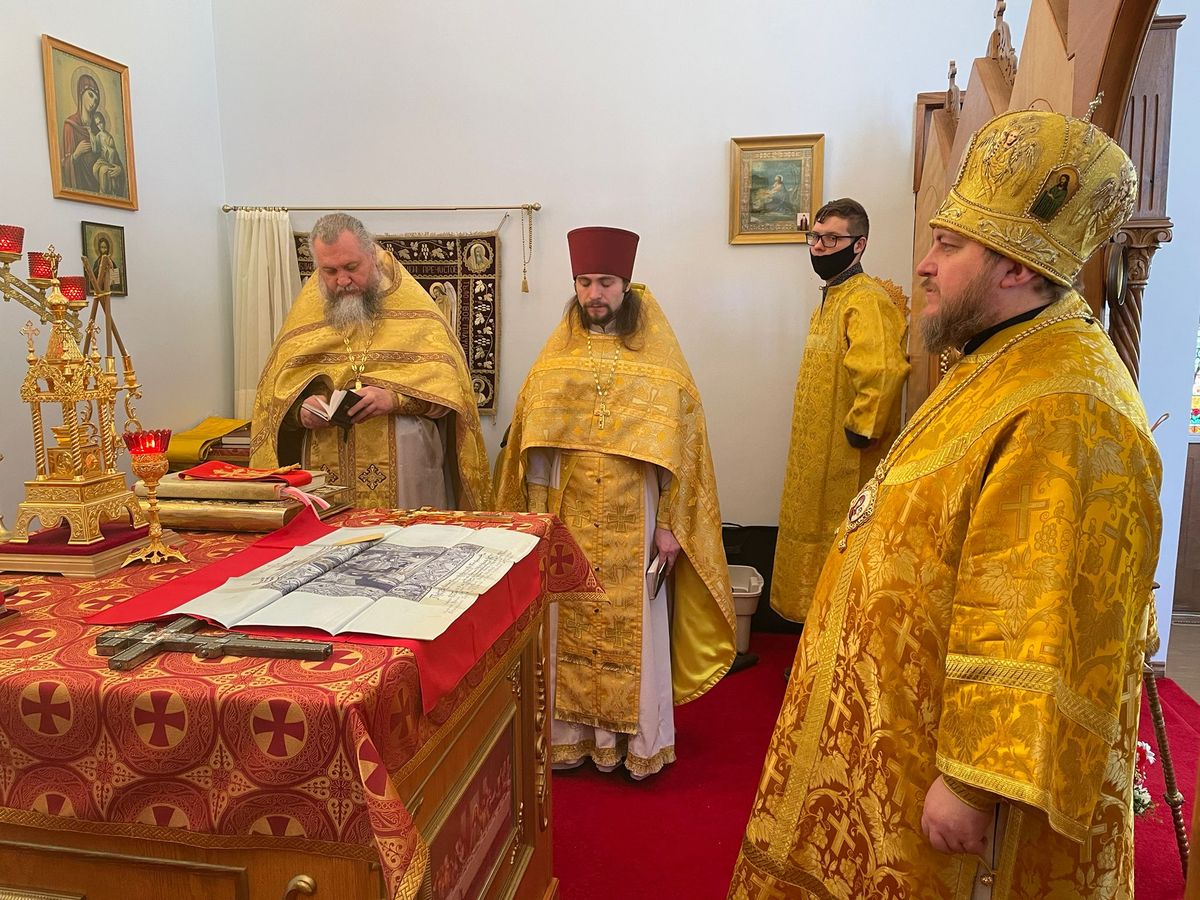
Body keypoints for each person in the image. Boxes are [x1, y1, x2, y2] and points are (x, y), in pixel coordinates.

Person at [729, 108, 1161, 899]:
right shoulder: (1003, 358)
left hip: (953, 787)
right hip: (900, 730)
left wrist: (971, 780)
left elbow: (1039, 607)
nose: (923, 266)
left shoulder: (1069, 405)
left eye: (948, 245)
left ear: (1017, 268)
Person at [495, 226, 735, 779]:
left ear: (625, 283)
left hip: (638, 509)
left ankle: (636, 745)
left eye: (605, 282)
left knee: (636, 630)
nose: (594, 294)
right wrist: (534, 515)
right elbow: (533, 440)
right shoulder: (557, 355)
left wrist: (671, 523)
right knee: (566, 622)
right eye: (584, 282)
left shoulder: (660, 357)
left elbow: (684, 447)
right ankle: (571, 739)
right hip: (570, 509)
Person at [251, 213, 492, 512]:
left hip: (408, 473)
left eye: (351, 267)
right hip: (324, 472)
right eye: (329, 271)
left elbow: (452, 398)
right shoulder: (306, 315)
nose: (342, 280)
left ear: (372, 255)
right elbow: (271, 402)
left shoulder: (417, 310)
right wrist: (299, 411)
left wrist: (395, 399)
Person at [771, 198, 909, 625]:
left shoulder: (866, 300)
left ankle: (834, 642)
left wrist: (862, 428)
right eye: (815, 237)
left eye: (832, 239)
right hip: (816, 455)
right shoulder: (831, 298)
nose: (819, 247)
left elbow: (883, 368)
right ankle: (813, 637)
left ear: (858, 245)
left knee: (841, 554)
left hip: (848, 458)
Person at [88, 111, 124, 196]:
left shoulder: (109, 137)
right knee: (95, 168)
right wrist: (90, 134)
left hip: (110, 160)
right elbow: (95, 149)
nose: (100, 125)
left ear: (104, 121)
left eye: (100, 122)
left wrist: (110, 150)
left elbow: (114, 152)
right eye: (97, 124)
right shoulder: (98, 136)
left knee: (103, 171)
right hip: (102, 159)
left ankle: (103, 193)